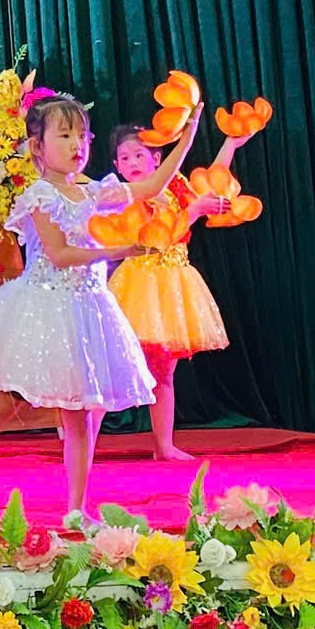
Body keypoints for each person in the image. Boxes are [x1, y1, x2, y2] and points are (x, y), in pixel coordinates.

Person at [0, 94, 176, 526]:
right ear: (38, 145)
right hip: (42, 308)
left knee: (79, 413)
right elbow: (60, 254)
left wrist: (187, 134)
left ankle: (76, 509)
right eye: (65, 135)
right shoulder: (40, 196)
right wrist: (118, 249)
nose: (77, 145)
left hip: (85, 309)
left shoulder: (92, 191)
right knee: (4, 400)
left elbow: (150, 187)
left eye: (83, 136)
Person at [98, 110, 256, 461]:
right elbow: (160, 237)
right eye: (125, 158)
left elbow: (211, 186)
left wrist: (230, 144)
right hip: (138, 285)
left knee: (164, 372)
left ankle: (164, 445)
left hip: (171, 285)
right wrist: (195, 211)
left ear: (157, 158)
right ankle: (85, 442)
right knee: (116, 368)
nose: (133, 163)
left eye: (139, 155)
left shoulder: (175, 186)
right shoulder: (127, 195)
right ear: (117, 166)